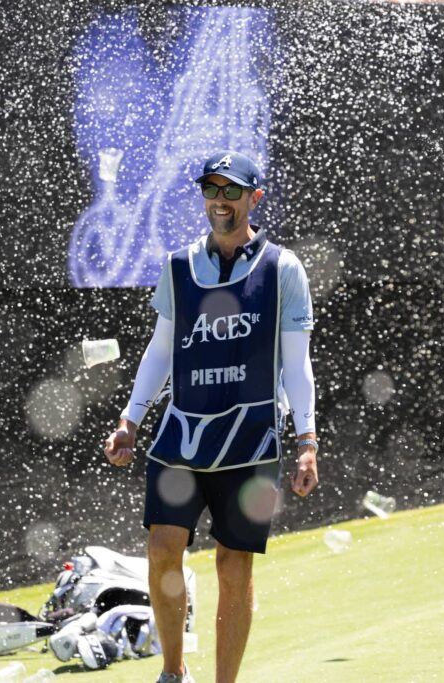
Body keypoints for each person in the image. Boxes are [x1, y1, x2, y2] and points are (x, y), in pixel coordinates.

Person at [102, 151, 318, 683]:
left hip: (251, 439)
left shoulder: (283, 268)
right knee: (162, 546)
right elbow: (160, 350)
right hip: (182, 433)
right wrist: (131, 420)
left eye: (232, 191)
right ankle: (174, 673)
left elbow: (296, 360)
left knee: (233, 564)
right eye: (211, 190)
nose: (219, 201)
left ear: (254, 198)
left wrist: (307, 438)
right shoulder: (178, 266)